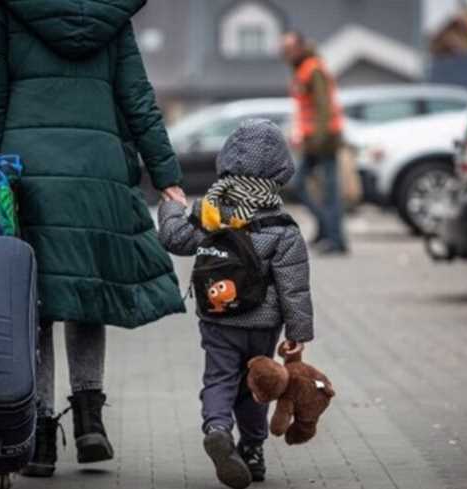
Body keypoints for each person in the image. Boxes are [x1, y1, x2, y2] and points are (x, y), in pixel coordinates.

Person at [0, 0, 187, 478]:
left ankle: (39, 433)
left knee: (33, 301)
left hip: (28, 172)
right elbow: (137, 97)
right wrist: (166, 174)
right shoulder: (109, 12)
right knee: (85, 291)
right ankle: (89, 418)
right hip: (95, 173)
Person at [158, 119, 314, 489]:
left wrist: (170, 206)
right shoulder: (282, 226)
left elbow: (174, 239)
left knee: (219, 378)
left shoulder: (210, 212)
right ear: (280, 169)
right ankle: (253, 452)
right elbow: (293, 286)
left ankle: (217, 429)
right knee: (256, 385)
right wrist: (298, 333)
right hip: (262, 325)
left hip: (217, 318)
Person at [282, 31, 348, 255]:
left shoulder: (314, 69)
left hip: (324, 139)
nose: (286, 53)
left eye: (290, 48)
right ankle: (326, 230)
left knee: (329, 192)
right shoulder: (302, 69)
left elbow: (324, 108)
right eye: (284, 49)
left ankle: (336, 239)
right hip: (313, 139)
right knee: (301, 185)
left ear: (301, 47)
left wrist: (318, 139)